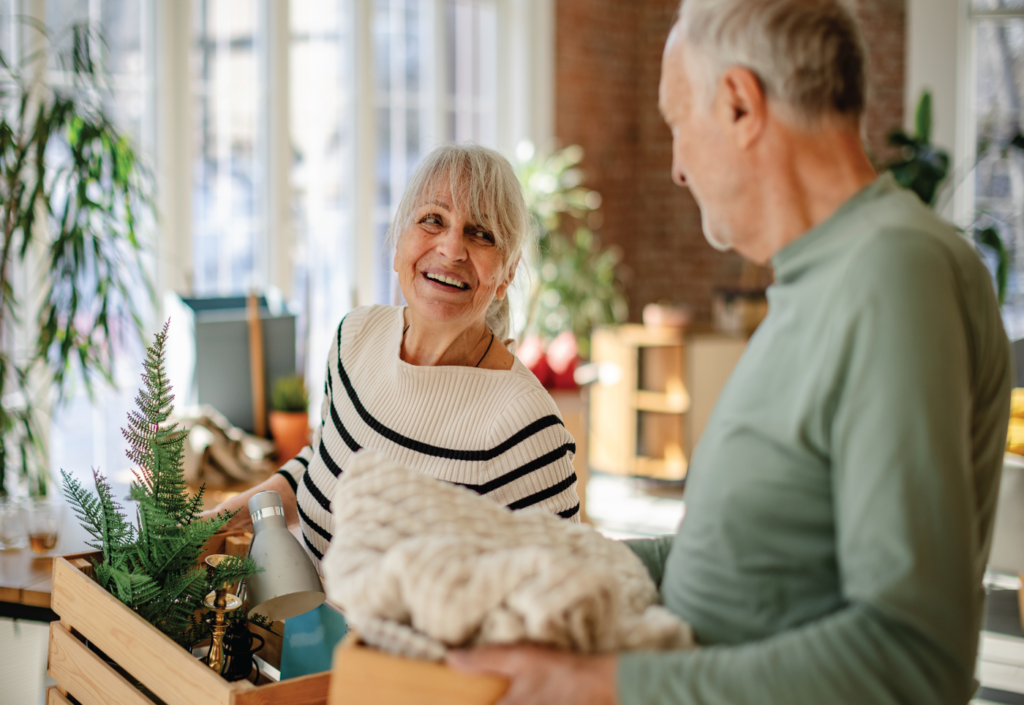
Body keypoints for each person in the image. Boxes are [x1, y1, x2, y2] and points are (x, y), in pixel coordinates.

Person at [449, 1, 1012, 703]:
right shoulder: (825, 278)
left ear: (742, 106)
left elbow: (911, 657)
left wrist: (598, 685)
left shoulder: (895, 272)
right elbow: (750, 562)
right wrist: (559, 563)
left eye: (678, 121)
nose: (678, 167)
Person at [207, 144, 580, 574]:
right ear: (400, 238)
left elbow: (561, 604)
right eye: (433, 220)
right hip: (301, 636)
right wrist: (211, 527)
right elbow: (322, 463)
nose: (452, 249)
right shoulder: (355, 337)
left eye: (482, 234)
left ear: (507, 274)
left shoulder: (526, 427)